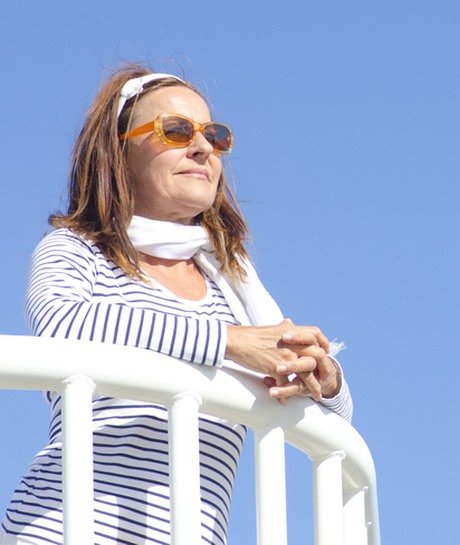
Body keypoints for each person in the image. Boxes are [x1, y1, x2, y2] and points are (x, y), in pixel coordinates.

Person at [0, 64, 352, 545]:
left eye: (215, 135)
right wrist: (229, 343)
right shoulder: (74, 249)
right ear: (120, 150)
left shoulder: (233, 283)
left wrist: (324, 378)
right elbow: (65, 325)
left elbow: (334, 417)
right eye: (177, 130)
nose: (203, 146)